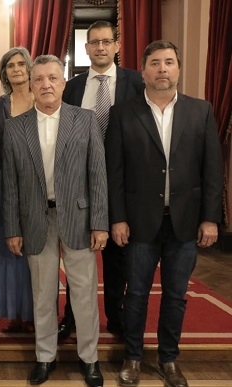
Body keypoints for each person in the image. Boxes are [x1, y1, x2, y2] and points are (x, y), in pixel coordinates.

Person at [106, 40, 223, 387]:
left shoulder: (200, 111)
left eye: (169, 62)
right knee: (136, 293)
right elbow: (115, 172)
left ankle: (168, 358)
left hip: (185, 222)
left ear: (178, 69)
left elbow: (212, 170)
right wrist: (117, 218)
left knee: (175, 295)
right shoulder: (122, 113)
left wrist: (210, 218)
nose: (162, 69)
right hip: (139, 222)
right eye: (155, 63)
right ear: (143, 71)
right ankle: (132, 357)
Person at [2, 55, 108, 387]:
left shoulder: (85, 119)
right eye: (39, 79)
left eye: (52, 78)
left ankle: (89, 358)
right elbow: (10, 184)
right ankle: (45, 357)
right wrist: (12, 228)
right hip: (36, 219)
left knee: (84, 293)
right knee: (43, 293)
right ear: (31, 86)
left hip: (79, 218)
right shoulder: (14, 127)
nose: (46, 84)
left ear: (63, 83)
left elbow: (97, 174)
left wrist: (100, 222)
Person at [58, 20, 145, 341]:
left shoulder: (137, 82)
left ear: (117, 46)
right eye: (94, 42)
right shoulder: (73, 87)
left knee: (118, 257)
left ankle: (116, 317)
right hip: (80, 185)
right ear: (86, 48)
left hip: (123, 184)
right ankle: (71, 316)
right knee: (77, 256)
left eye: (106, 41)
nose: (100, 47)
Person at [0, 47, 35, 333]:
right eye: (10, 65)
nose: (17, 69)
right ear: (4, 73)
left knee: (36, 251)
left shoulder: (42, 96)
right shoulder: (0, 105)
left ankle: (36, 314)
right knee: (11, 249)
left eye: (21, 64)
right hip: (7, 184)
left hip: (39, 185)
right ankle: (15, 313)